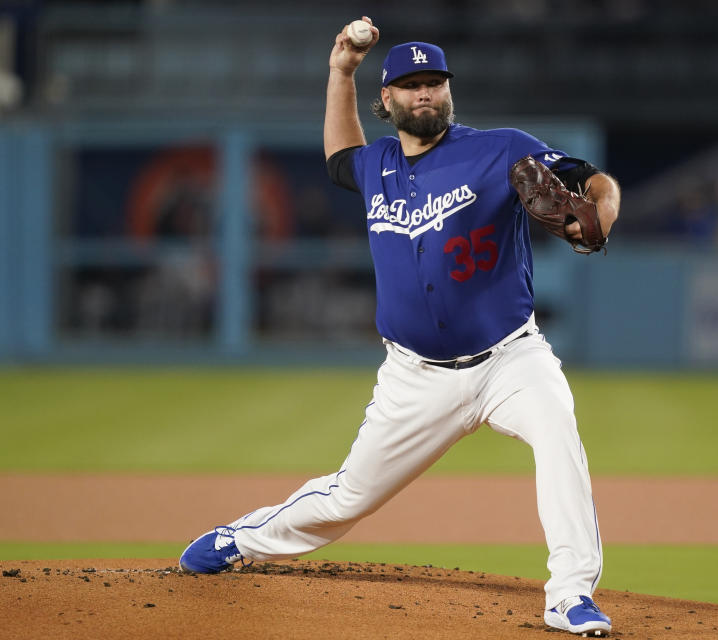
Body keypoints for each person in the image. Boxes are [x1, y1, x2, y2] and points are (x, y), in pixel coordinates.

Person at [179, 16, 620, 638]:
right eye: (411, 85)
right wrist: (341, 70)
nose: (425, 94)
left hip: (509, 359)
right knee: (346, 499)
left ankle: (570, 595)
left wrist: (599, 214)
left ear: (448, 91)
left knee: (559, 438)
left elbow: (592, 181)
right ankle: (243, 538)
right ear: (386, 101)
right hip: (415, 378)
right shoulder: (377, 164)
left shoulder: (500, 148)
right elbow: (338, 156)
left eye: (435, 83)